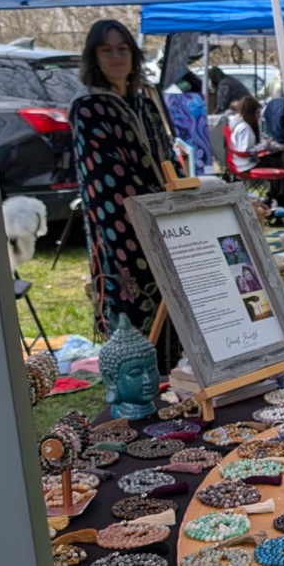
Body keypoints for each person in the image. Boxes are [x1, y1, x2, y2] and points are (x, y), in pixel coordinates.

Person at [69, 19, 181, 368]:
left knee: (175, 316)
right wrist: (160, 203)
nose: (116, 57)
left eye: (123, 48)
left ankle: (174, 389)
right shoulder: (88, 109)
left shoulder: (144, 104)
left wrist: (185, 194)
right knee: (135, 319)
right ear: (94, 57)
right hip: (122, 232)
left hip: (166, 224)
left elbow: (167, 157)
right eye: (107, 50)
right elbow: (109, 178)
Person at [226, 95, 276, 175]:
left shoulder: (239, 125)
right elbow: (246, 152)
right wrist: (266, 144)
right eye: (258, 113)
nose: (258, 116)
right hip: (246, 166)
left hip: (240, 163)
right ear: (252, 113)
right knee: (278, 161)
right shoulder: (245, 128)